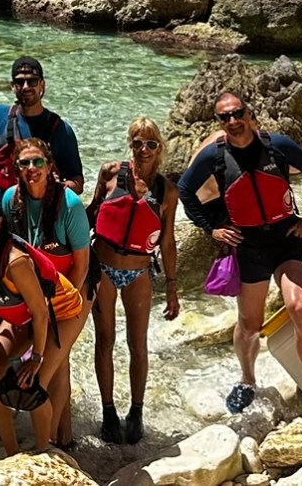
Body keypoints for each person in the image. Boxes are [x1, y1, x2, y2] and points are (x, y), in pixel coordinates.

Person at [179, 90, 302, 415]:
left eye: (238, 113)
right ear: (220, 122)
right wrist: (212, 228)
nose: (233, 121)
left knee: (300, 307)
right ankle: (247, 379)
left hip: (286, 237)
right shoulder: (215, 156)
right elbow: (184, 190)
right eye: (225, 117)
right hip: (248, 247)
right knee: (249, 324)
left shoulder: (277, 145)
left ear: (249, 114)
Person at [0, 189, 88, 458]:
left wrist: (36, 357)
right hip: (23, 315)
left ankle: (44, 455)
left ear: (0, 223)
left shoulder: (16, 262)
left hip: (60, 313)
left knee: (33, 383)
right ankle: (11, 455)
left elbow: (41, 313)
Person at [88, 115, 179, 444]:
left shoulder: (167, 191)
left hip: (139, 271)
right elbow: (92, 213)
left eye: (151, 144)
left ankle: (136, 411)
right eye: (138, 143)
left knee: (138, 346)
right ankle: (109, 410)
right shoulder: (111, 173)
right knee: (105, 340)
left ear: (160, 148)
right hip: (104, 267)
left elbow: (167, 241)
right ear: (131, 144)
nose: (144, 149)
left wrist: (172, 286)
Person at [0, 57, 84, 195]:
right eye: (19, 81)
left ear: (42, 85)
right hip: (4, 212)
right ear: (12, 86)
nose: (26, 87)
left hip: (42, 212)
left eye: (32, 81)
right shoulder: (1, 115)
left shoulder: (61, 130)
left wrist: (58, 187)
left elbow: (77, 182)